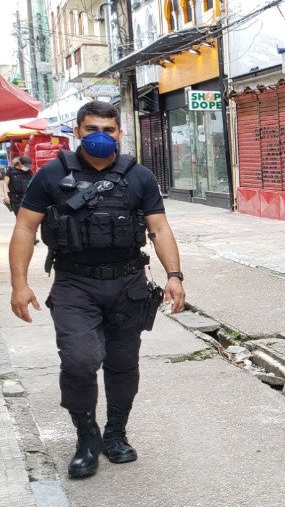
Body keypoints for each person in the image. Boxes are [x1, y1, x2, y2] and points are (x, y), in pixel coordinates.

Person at [8, 101, 185, 480]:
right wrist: (19, 284)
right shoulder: (52, 175)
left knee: (123, 364)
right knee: (79, 360)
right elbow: (24, 229)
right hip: (75, 283)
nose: (101, 136)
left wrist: (175, 274)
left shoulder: (139, 177)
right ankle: (86, 436)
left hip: (127, 283)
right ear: (77, 131)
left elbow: (159, 226)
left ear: (120, 132)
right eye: (91, 129)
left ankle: (115, 433)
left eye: (109, 129)